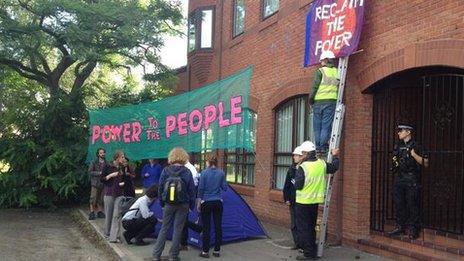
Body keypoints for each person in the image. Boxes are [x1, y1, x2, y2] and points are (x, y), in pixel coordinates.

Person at [294, 141, 340, 260]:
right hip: (315, 202)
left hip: (303, 203)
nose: (302, 154)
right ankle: (312, 252)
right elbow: (334, 167)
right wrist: (335, 156)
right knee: (311, 227)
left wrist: (294, 181)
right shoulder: (321, 164)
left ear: (307, 153)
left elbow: (298, 185)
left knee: (304, 229)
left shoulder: (303, 167)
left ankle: (309, 255)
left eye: (303, 153)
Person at [152, 148, 196, 261]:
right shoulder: (187, 171)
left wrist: (162, 203)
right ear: (183, 157)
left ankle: (156, 254)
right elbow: (191, 191)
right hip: (183, 204)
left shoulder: (166, 170)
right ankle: (173, 256)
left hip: (168, 204)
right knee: (178, 229)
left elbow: (160, 188)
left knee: (164, 228)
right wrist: (191, 206)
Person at [388, 123, 428, 240]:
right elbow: (395, 161)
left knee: (412, 204)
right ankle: (401, 227)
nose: (399, 133)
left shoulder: (416, 146)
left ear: (408, 132)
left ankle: (415, 229)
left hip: (412, 178)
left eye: (401, 131)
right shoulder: (398, 146)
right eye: (399, 131)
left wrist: (414, 155)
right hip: (400, 178)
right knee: (399, 204)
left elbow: (425, 163)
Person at [197, 154, 228, 258]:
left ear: (208, 162)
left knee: (206, 227)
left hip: (206, 202)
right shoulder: (221, 173)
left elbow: (200, 189)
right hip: (218, 202)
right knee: (218, 226)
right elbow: (225, 188)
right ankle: (217, 251)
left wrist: (198, 202)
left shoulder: (204, 173)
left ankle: (205, 252)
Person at [309, 50, 339, 154]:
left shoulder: (320, 71)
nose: (321, 62)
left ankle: (318, 147)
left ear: (326, 60)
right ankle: (323, 147)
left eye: (322, 60)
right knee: (326, 126)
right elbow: (338, 85)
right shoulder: (336, 71)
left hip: (318, 102)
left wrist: (311, 100)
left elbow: (315, 87)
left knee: (317, 126)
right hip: (331, 101)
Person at [101, 150, 126, 243]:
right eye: (122, 157)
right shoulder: (108, 166)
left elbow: (124, 180)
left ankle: (115, 236)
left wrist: (123, 183)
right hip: (109, 193)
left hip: (119, 193)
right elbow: (102, 179)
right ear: (117, 158)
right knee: (109, 214)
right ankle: (107, 234)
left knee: (117, 215)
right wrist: (111, 175)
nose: (123, 159)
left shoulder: (123, 167)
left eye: (123, 157)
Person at [283, 146, 304, 250]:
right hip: (293, 201)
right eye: (294, 155)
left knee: (302, 224)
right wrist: (286, 198)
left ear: (301, 157)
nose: (294, 157)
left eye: (296, 155)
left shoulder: (305, 168)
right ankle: (297, 243)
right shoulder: (291, 169)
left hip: (303, 202)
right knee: (294, 224)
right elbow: (287, 185)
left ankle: (304, 244)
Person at [180, 160, 200, 250]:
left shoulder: (190, 169)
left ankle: (198, 229)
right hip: (183, 198)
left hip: (185, 198)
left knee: (182, 221)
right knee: (182, 221)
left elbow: (194, 185)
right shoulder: (186, 168)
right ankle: (183, 244)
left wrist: (191, 203)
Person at [88, 148, 108, 220]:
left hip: (103, 183)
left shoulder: (106, 162)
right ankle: (92, 212)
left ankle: (100, 212)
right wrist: (99, 173)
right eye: (101, 153)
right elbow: (90, 172)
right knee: (93, 198)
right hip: (95, 183)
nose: (102, 154)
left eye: (103, 153)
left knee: (101, 199)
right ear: (98, 154)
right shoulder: (94, 162)